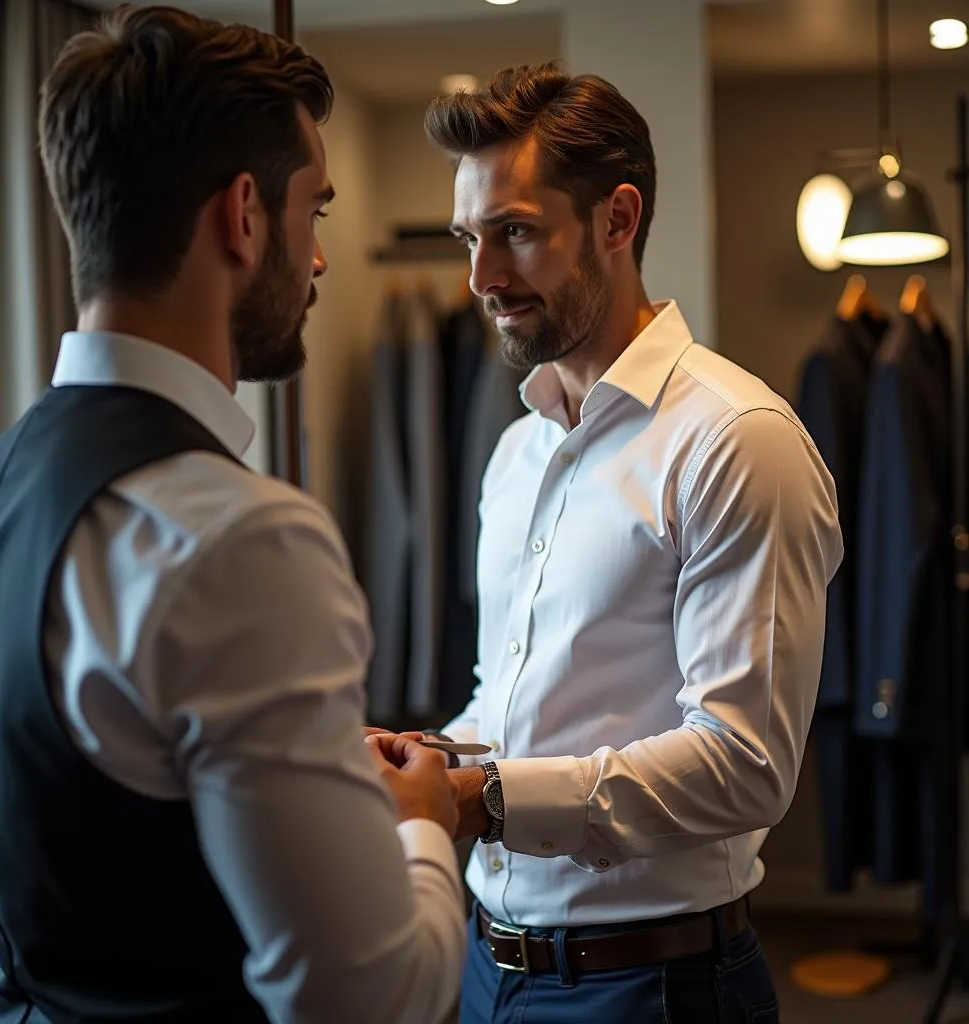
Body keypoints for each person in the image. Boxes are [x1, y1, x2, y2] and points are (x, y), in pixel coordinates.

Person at [0, 6, 466, 1023]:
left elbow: (7, 860)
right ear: (242, 214)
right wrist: (423, 826)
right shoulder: (234, 535)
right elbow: (368, 998)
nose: (318, 260)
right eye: (314, 210)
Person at [368, 62, 843, 1023]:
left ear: (617, 221)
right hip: (485, 969)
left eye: (516, 234)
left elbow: (745, 764)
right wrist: (428, 757)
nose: (481, 279)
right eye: (471, 238)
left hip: (656, 986)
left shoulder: (734, 440)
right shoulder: (516, 449)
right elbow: (515, 704)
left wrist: (485, 801)